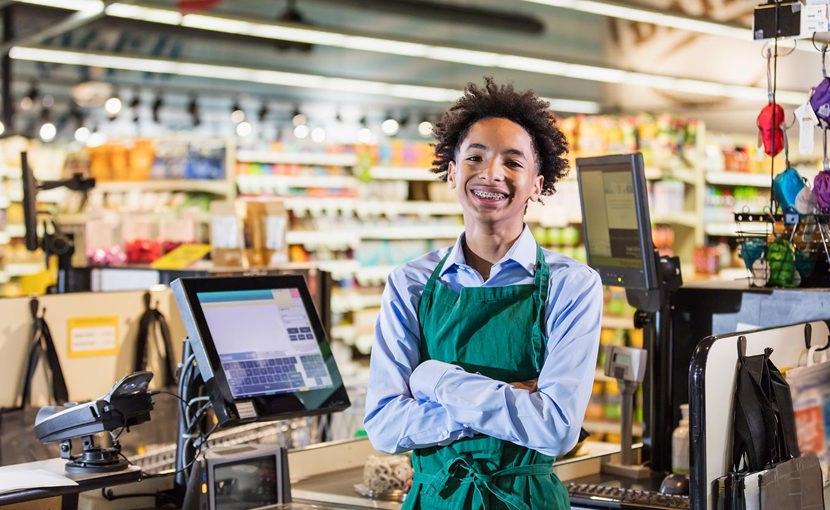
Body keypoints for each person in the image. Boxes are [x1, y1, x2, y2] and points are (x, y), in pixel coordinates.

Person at [363, 76, 603, 509]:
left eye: (513, 163)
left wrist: (433, 379)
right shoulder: (410, 283)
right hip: (435, 499)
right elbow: (383, 426)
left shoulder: (572, 285)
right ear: (453, 172)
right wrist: (512, 399)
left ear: (537, 183)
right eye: (475, 157)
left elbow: (556, 431)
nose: (491, 173)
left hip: (527, 500)